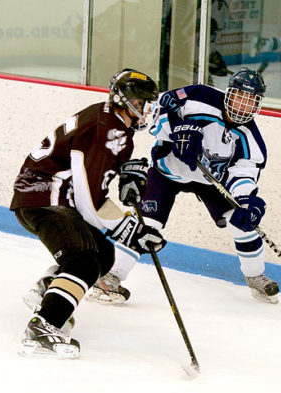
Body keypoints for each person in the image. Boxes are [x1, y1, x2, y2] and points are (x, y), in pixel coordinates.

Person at [10, 69, 166, 359]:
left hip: (48, 195)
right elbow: (89, 201)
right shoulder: (107, 130)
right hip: (45, 198)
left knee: (103, 254)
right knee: (82, 260)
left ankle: (49, 289)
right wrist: (130, 230)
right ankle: (45, 325)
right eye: (143, 102)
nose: (148, 110)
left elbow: (91, 180)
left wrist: (124, 174)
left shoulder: (112, 123)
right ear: (127, 101)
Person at [90, 67, 279, 305]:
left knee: (243, 222)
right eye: (240, 96)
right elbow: (155, 111)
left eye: (251, 101)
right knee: (147, 224)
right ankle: (110, 277)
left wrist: (246, 201)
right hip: (167, 171)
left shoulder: (251, 139)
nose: (243, 105)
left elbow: (243, 175)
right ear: (229, 92)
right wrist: (176, 131)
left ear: (258, 105)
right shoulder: (200, 96)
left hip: (209, 181)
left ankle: (254, 275)